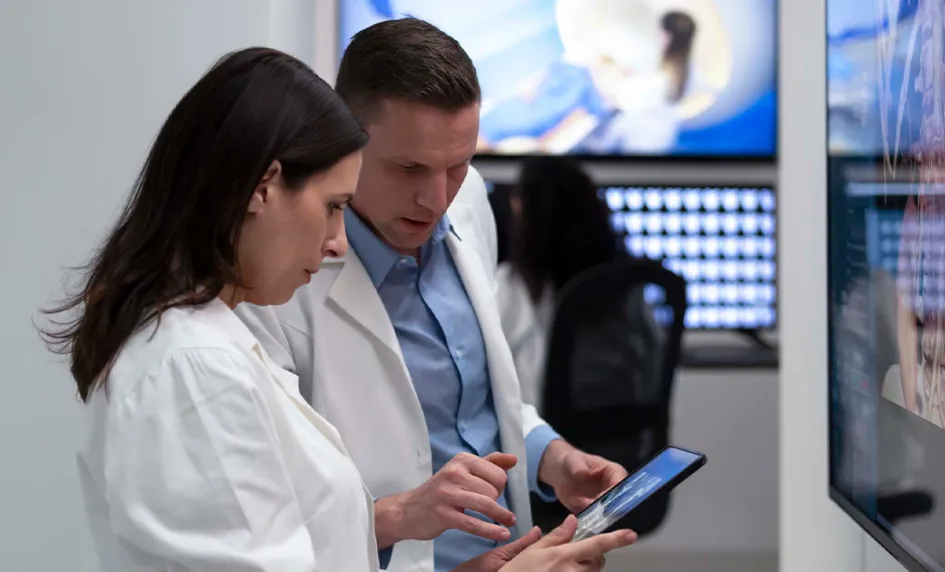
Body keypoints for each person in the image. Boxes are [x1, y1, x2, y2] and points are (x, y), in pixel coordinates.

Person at [39, 47, 634, 572]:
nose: (337, 242)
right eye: (332, 206)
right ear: (263, 189)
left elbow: (311, 541)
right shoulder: (196, 368)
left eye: (457, 169)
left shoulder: (212, 342)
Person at [233, 19, 630, 572]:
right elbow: (271, 514)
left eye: (457, 164)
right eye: (409, 168)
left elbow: (480, 399)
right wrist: (401, 517)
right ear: (343, 140)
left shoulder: (469, 202)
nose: (436, 198)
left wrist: (550, 457)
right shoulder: (276, 281)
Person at [495, 156, 659, 410]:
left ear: (526, 211)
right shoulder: (627, 285)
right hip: (624, 440)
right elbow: (652, 364)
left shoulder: (512, 284)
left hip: (542, 441)